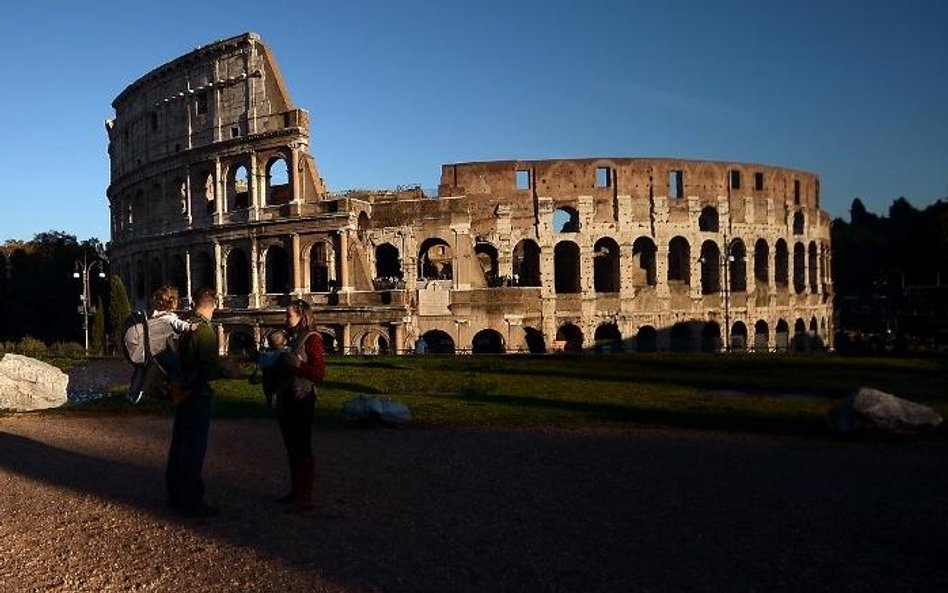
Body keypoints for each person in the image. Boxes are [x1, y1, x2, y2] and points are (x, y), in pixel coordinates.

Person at [165, 286, 236, 518]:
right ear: (213, 303)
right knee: (194, 449)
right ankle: (193, 499)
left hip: (183, 391)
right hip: (196, 394)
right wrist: (228, 371)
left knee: (180, 446)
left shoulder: (187, 326)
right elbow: (208, 369)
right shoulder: (204, 331)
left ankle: (176, 494)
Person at [272, 298, 325, 512]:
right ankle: (296, 491)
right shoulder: (292, 338)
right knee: (291, 446)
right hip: (287, 397)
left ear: (301, 316)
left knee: (302, 446)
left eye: (289, 315)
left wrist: (299, 365)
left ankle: (305, 496)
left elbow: (319, 373)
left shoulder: (313, 339)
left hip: (303, 398)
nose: (285, 318)